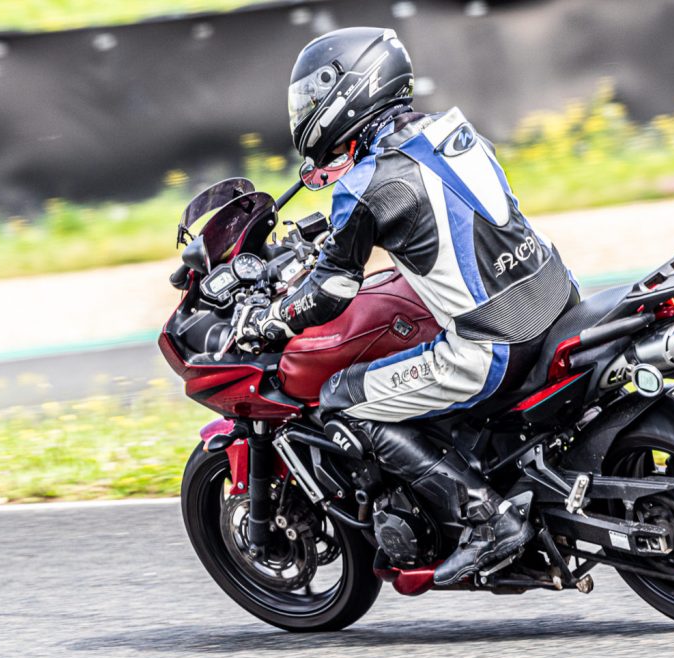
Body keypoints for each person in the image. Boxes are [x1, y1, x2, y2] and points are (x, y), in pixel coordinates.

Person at [232, 26, 577, 585]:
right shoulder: (452, 130)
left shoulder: (368, 183)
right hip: (558, 299)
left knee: (341, 399)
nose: (306, 110)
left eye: (313, 96)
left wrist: (271, 320)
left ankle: (488, 519)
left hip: (493, 346)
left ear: (347, 92)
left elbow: (330, 291)